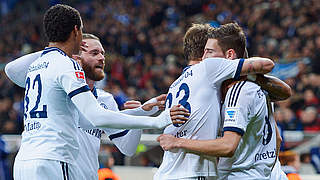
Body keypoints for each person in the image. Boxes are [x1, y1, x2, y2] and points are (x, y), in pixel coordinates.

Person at [4, 4, 189, 180]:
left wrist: (139, 112)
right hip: (54, 158)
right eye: (93, 52)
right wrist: (159, 120)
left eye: (102, 53)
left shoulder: (37, 66)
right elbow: (96, 116)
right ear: (76, 31)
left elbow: (86, 119)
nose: (101, 58)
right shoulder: (66, 65)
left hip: (25, 161)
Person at [156, 23, 291, 180]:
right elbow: (278, 138)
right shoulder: (257, 88)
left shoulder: (237, 92)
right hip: (273, 174)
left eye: (209, 52)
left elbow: (228, 146)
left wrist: (178, 142)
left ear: (229, 56)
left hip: (241, 175)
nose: (204, 59)